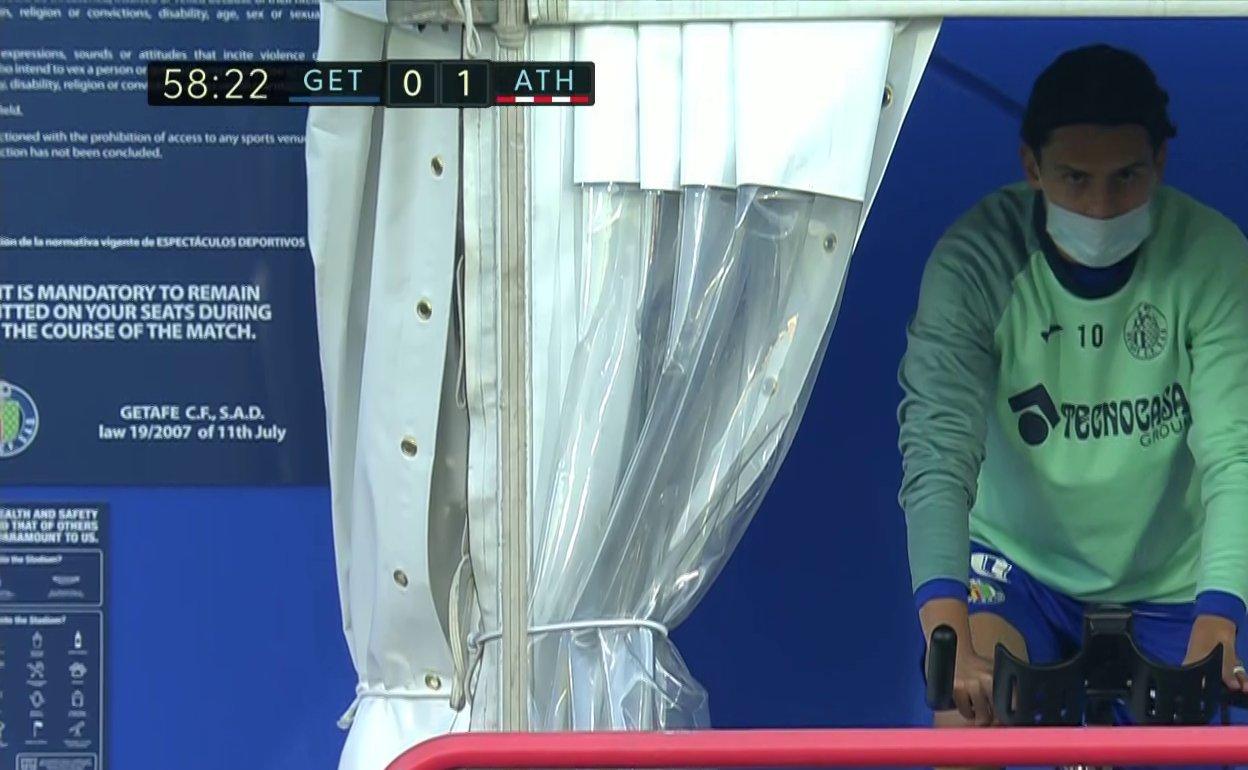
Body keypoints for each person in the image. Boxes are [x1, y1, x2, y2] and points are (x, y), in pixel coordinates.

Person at [897, 42, 1248, 753]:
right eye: (1075, 178)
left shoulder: (1213, 257)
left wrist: (1221, 619)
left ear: (1160, 163)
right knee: (964, 723)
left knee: (1219, 722)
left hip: (1173, 575)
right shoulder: (974, 262)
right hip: (1019, 566)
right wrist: (947, 638)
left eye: (1127, 177)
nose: (1100, 205)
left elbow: (1236, 453)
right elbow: (937, 452)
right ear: (1032, 167)